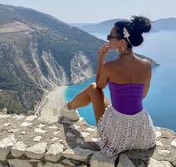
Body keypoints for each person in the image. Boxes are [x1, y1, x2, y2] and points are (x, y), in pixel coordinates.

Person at [60, 15, 156, 156]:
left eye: (110, 36)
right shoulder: (147, 65)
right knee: (115, 105)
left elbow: (99, 86)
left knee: (93, 88)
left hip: (116, 136)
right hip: (142, 132)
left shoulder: (110, 66)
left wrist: (100, 59)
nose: (107, 39)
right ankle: (69, 109)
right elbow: (142, 95)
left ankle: (68, 109)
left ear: (122, 42)